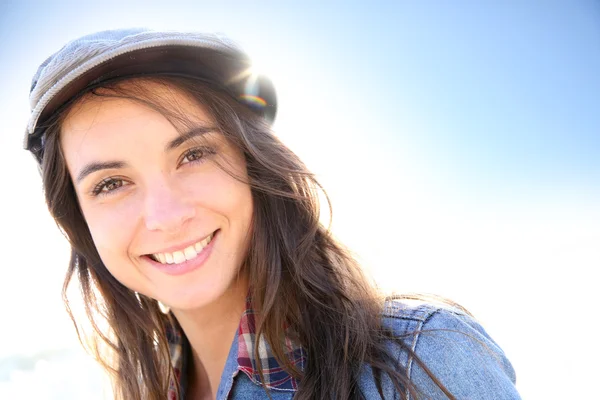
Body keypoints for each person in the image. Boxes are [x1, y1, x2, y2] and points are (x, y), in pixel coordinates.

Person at [24, 28, 521, 400]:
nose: (166, 215)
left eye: (193, 155)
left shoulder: (420, 360)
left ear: (254, 160)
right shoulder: (141, 389)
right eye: (111, 184)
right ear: (80, 221)